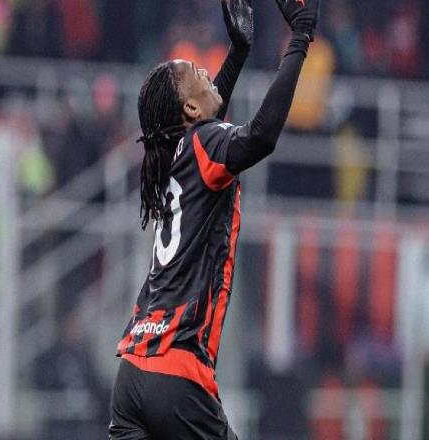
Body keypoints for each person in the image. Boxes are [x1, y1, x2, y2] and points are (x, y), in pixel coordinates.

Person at [109, 0, 320, 438]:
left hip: (132, 374)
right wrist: (300, 37)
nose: (207, 72)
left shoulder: (171, 156)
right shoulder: (202, 145)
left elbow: (206, 125)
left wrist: (238, 54)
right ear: (188, 109)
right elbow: (260, 136)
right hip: (177, 373)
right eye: (197, 73)